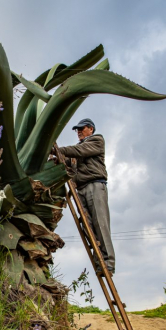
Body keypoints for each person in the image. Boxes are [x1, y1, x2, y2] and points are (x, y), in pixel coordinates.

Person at [54, 118, 115, 275]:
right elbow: (64, 161)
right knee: (86, 225)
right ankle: (99, 260)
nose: (79, 131)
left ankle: (108, 262)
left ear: (91, 129)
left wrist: (57, 149)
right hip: (80, 189)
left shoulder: (96, 140)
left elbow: (77, 151)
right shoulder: (76, 151)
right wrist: (54, 158)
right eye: (77, 129)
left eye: (82, 128)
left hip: (95, 185)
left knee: (100, 223)